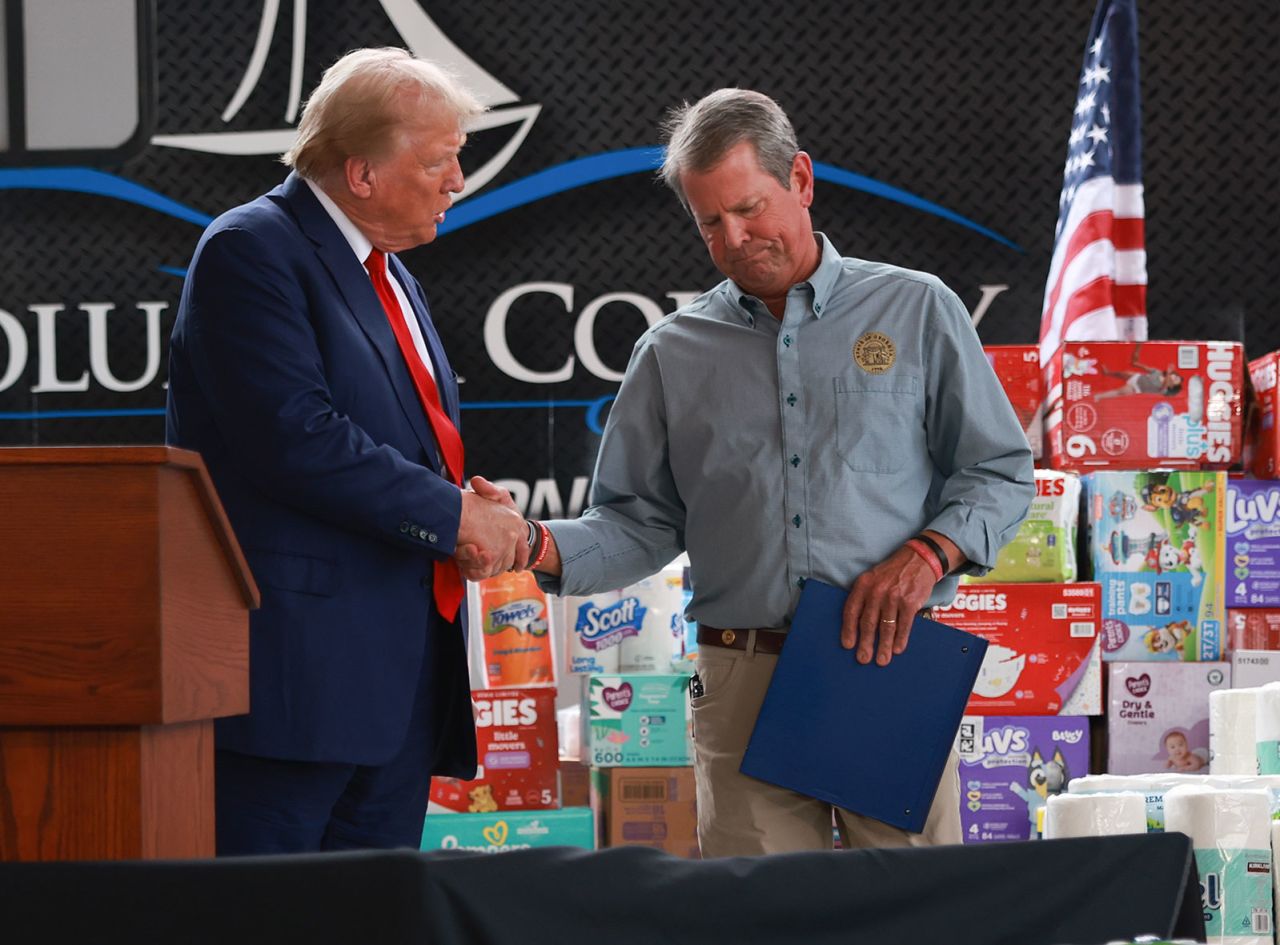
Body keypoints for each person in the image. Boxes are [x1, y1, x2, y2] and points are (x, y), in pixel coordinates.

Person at [476, 88, 1034, 856]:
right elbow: (638, 523)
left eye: (750, 208)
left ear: (801, 180)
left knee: (919, 910)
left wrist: (927, 555)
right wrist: (531, 541)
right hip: (738, 679)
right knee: (764, 923)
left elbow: (1000, 472)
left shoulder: (917, 310)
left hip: (885, 663)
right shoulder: (671, 353)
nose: (735, 238)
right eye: (710, 222)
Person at [166, 48, 527, 855]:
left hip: (396, 690)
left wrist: (463, 511)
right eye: (439, 161)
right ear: (361, 173)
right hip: (293, 695)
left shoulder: (393, 272)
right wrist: (449, 514)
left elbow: (395, 438)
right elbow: (296, 438)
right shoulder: (250, 249)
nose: (458, 182)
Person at [1093, 344, 1183, 399]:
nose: (1174, 378)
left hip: (1136, 388)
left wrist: (1168, 373)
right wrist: (1138, 348)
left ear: (1171, 386)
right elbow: (1144, 367)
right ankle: (1108, 373)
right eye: (1175, 377)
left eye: (1175, 381)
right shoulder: (1158, 372)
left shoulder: (1163, 390)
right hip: (1137, 377)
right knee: (1121, 374)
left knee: (1119, 392)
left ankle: (1098, 397)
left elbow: (1164, 386)